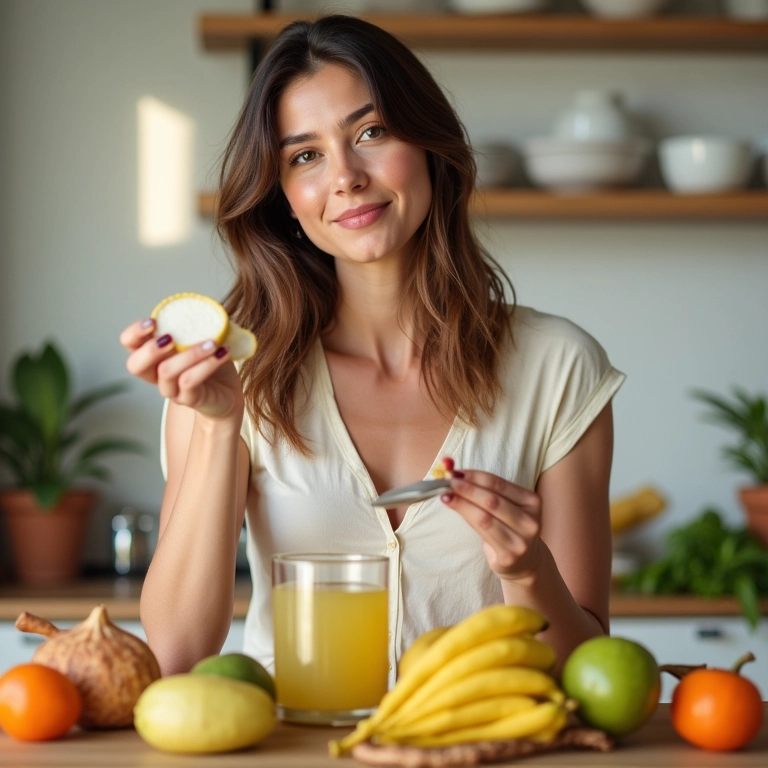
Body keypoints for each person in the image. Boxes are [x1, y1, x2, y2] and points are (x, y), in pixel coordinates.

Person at [120, 15, 624, 681]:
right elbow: (181, 652)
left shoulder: (559, 366)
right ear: (285, 201)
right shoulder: (223, 371)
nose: (346, 176)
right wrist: (219, 425)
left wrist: (526, 569)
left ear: (428, 145)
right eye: (306, 156)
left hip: (484, 746)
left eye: (371, 132)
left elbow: (589, 670)